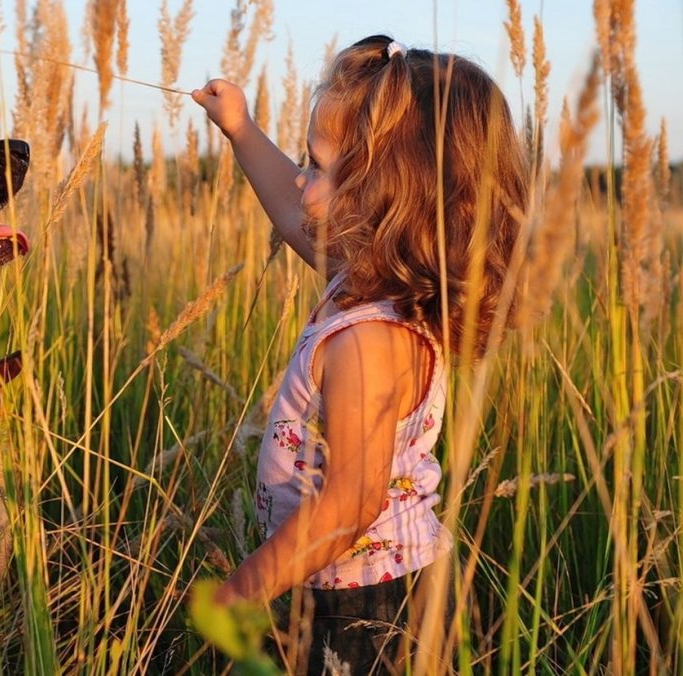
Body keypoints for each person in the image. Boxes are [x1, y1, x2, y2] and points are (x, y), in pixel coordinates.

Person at [191, 35, 527, 674]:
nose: (301, 177)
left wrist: (238, 594)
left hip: (371, 608)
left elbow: (349, 504)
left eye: (317, 166)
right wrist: (239, 128)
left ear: (386, 195)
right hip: (337, 576)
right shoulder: (366, 276)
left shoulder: (372, 341)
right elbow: (295, 216)